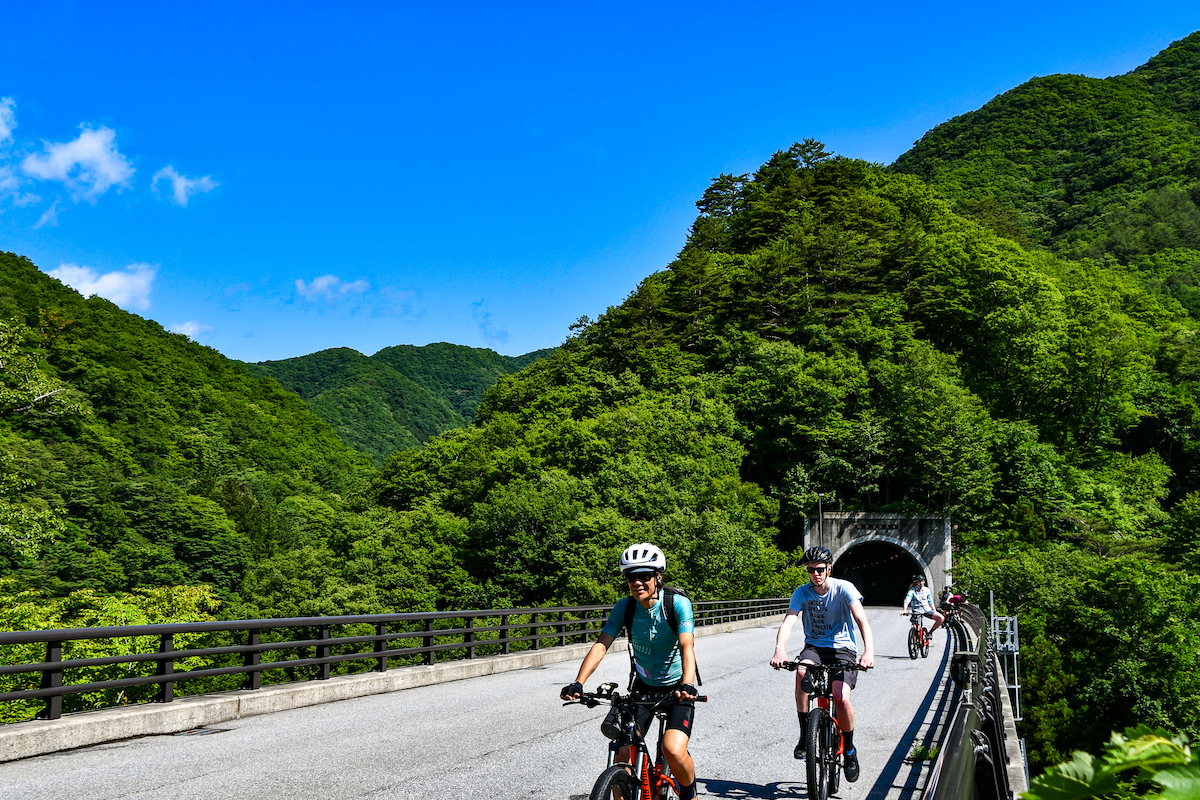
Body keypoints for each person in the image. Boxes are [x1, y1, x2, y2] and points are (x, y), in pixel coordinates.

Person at [561, 542, 700, 800]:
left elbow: (686, 645)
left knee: (673, 749)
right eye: (631, 577)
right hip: (643, 688)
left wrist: (687, 685)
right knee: (622, 752)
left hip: (678, 688)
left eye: (644, 576)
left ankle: (690, 793)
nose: (637, 583)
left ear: (658, 577)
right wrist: (578, 682)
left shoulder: (677, 604)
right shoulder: (624, 607)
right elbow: (602, 645)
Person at [770, 545, 875, 783]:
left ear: (829, 569)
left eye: (819, 569)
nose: (815, 574)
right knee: (800, 672)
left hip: (843, 649)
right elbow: (789, 621)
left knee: (841, 698)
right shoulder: (802, 592)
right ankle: (805, 734)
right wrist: (780, 649)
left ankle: (849, 750)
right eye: (810, 570)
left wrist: (868, 651)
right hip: (815, 647)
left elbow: (861, 618)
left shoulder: (843, 588)